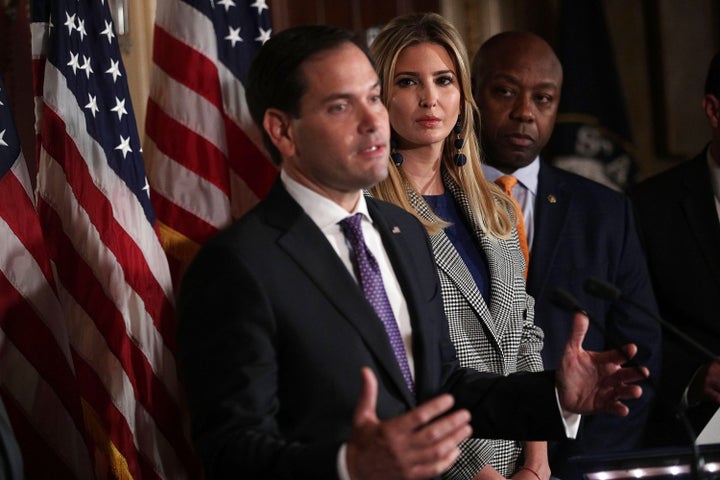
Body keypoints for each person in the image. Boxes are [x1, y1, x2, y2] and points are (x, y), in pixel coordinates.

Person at [177, 24, 647, 480]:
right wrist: (349, 467)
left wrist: (555, 397)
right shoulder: (238, 264)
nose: (373, 120)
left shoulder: (400, 229)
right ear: (283, 132)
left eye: (374, 98)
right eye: (342, 106)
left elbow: (439, 385)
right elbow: (230, 451)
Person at [471, 32, 661, 479]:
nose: (524, 113)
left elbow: (640, 359)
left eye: (543, 98)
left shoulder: (606, 212)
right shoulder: (431, 204)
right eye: (504, 92)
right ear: (471, 95)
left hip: (580, 461)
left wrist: (576, 470)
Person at [369, 13, 547, 480]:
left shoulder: (497, 207)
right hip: (434, 465)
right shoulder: (369, 215)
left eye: (443, 80)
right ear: (380, 97)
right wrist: (478, 472)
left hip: (525, 462)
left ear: (462, 96)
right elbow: (399, 365)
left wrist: (537, 462)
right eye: (408, 82)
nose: (430, 98)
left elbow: (524, 336)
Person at [629, 51, 720, 447]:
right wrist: (695, 377)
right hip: (690, 436)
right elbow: (630, 325)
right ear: (714, 110)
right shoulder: (646, 207)